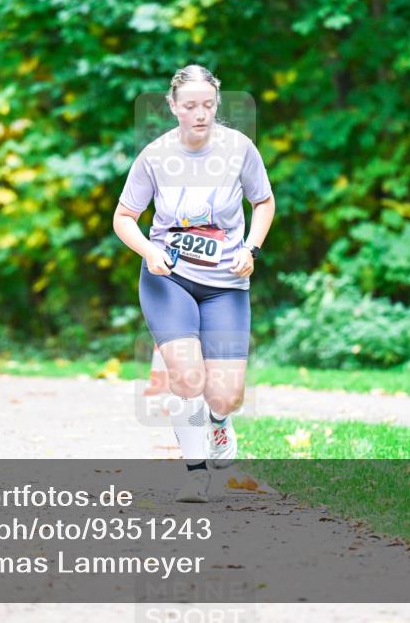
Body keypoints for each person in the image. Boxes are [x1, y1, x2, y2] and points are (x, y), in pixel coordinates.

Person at [114, 65, 275, 502]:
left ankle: (219, 423)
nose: (200, 114)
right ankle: (195, 472)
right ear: (173, 107)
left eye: (208, 105)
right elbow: (124, 218)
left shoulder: (239, 149)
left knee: (226, 397)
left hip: (225, 282)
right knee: (186, 378)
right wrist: (150, 252)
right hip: (169, 278)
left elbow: (263, 201)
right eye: (190, 106)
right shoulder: (154, 156)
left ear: (216, 103)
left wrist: (251, 249)